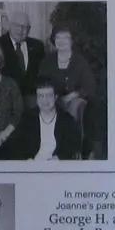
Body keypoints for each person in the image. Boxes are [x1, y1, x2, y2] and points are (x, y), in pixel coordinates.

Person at [35, 26, 96, 154]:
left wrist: (73, 95)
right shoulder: (48, 60)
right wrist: (53, 97)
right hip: (51, 99)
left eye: (65, 38)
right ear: (54, 40)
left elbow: (90, 86)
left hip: (72, 101)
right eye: (58, 37)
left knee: (75, 106)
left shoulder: (80, 61)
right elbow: (41, 82)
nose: (61, 41)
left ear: (72, 41)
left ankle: (70, 149)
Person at [12, 80, 81, 161]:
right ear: (37, 98)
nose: (45, 100)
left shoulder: (66, 120)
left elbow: (73, 145)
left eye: (49, 95)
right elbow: (17, 144)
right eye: (41, 96)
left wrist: (59, 158)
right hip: (32, 165)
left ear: (55, 97)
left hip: (56, 165)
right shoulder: (27, 118)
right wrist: (27, 159)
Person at [0, 15, 46, 96]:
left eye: (24, 27)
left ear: (29, 29)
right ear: (9, 25)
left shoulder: (37, 45)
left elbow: (42, 72)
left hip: (32, 100)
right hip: (4, 97)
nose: (20, 30)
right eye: (16, 25)